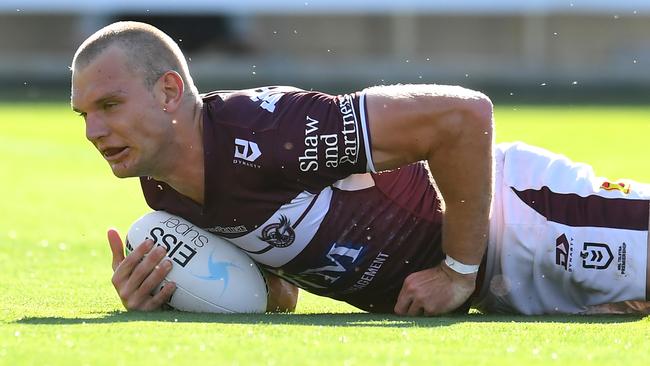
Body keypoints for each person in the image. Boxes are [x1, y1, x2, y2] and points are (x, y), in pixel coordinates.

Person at [70, 21, 650, 316]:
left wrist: (456, 269)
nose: (94, 132)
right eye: (84, 114)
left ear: (170, 91)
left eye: (110, 106)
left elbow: (462, 117)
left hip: (525, 221)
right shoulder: (165, 195)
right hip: (493, 286)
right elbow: (278, 295)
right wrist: (165, 292)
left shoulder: (272, 133)